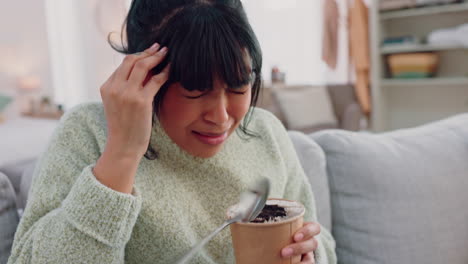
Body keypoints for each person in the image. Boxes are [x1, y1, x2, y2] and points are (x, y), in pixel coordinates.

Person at [8, 0, 337, 263]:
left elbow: (322, 244)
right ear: (143, 73)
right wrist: (122, 152)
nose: (221, 117)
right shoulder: (89, 132)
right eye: (195, 90)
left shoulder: (266, 132)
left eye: (239, 86)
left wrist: (310, 253)